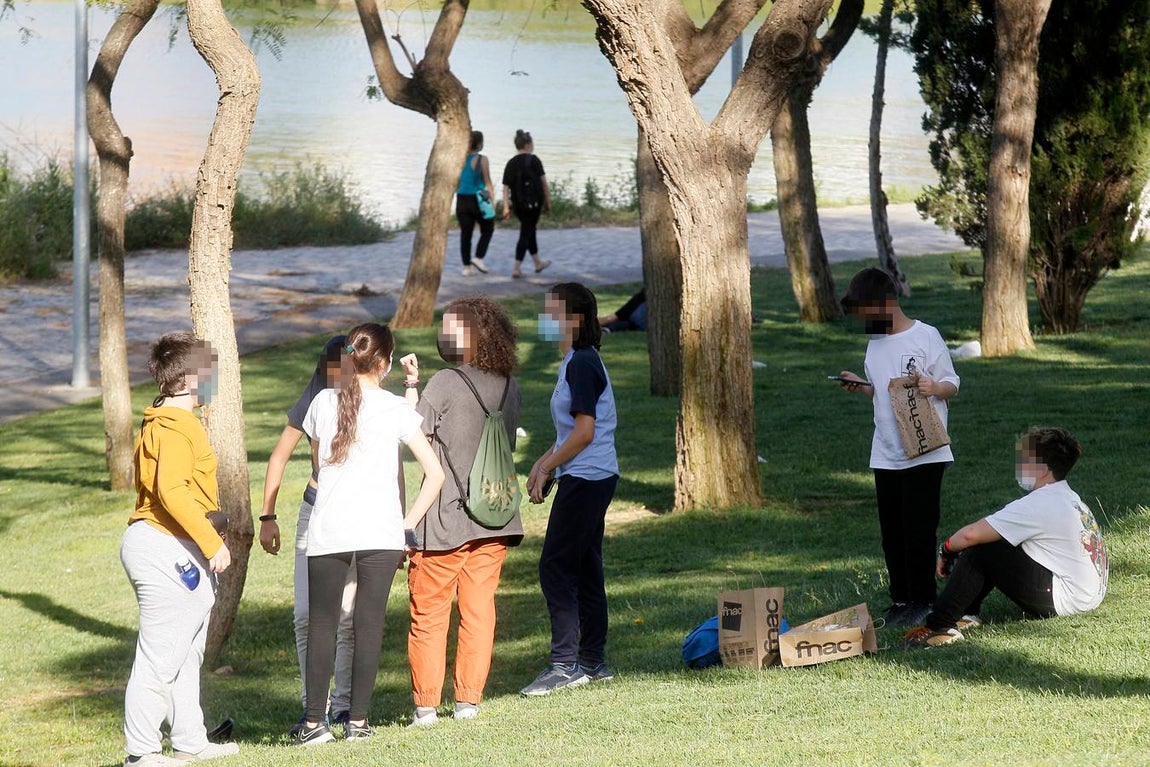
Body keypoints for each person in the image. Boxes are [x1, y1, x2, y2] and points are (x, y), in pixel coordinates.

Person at [294, 323, 445, 746]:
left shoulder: (324, 402)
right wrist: (407, 524)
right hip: (381, 529)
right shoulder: (395, 408)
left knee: (322, 624)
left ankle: (312, 724)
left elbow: (320, 467)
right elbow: (434, 474)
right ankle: (357, 722)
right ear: (385, 363)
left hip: (329, 526)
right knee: (368, 625)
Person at [402, 297, 524, 726]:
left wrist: (412, 386)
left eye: (450, 325)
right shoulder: (510, 384)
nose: (443, 331)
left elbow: (409, 436)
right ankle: (468, 702)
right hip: (495, 515)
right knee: (479, 610)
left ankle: (426, 706)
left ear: (467, 335)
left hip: (444, 518)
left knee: (430, 612)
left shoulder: (445, 383)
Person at [120, 333, 239, 766]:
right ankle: (142, 752)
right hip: (164, 546)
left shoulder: (162, 419)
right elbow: (171, 490)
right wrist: (213, 543)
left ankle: (190, 740)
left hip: (170, 544)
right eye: (211, 373)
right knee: (160, 655)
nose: (216, 381)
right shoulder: (176, 426)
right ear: (190, 378)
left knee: (185, 653)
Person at [904, 427, 1109, 648]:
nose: (1019, 465)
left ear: (1043, 469)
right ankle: (966, 614)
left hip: (1068, 599)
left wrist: (946, 549)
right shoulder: (1068, 496)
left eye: (1025, 459)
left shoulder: (1039, 503)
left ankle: (939, 627)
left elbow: (969, 535)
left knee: (981, 549)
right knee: (993, 540)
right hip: (1087, 595)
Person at [837, 267, 960, 627]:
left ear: (887, 304)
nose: (865, 322)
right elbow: (880, 392)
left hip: (925, 452)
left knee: (918, 528)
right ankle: (901, 600)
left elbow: (952, 382)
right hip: (886, 453)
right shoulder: (875, 345)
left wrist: (934, 388)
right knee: (892, 532)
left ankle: (923, 600)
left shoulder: (926, 336)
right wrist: (859, 386)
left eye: (867, 314)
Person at [521, 283, 619, 696]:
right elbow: (568, 432)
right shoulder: (574, 361)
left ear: (574, 319)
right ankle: (592, 661)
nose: (545, 320)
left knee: (556, 568)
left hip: (588, 478)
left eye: (551, 312)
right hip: (585, 475)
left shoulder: (581, 362)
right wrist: (543, 464)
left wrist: (547, 466)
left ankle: (565, 664)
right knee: (583, 567)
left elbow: (584, 432)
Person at [257, 336, 357, 737]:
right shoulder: (317, 393)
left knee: (346, 618)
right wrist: (267, 515)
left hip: (354, 517)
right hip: (314, 512)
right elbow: (280, 454)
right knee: (305, 616)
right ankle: (313, 706)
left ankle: (347, 706)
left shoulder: (367, 397)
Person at [501, 129, 552, 279]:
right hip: (535, 204)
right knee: (526, 232)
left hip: (518, 205)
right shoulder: (535, 160)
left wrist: (505, 206)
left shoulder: (511, 163)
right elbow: (544, 184)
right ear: (528, 144)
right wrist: (547, 201)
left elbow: (505, 187)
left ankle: (538, 263)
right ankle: (516, 268)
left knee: (529, 230)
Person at [457, 131, 496, 277]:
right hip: (477, 199)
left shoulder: (459, 159)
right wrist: (492, 200)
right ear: (480, 144)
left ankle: (467, 268)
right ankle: (478, 258)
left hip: (461, 199)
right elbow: (487, 181)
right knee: (488, 228)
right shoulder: (482, 159)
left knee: (465, 234)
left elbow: (456, 182)